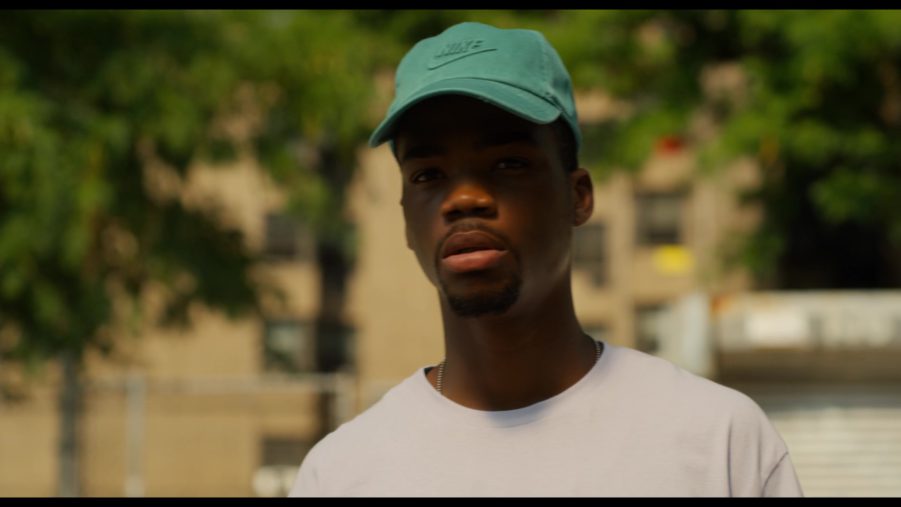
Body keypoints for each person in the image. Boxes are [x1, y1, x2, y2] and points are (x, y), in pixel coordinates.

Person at [289, 21, 803, 497]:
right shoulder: (341, 474)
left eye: (509, 163)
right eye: (428, 175)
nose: (464, 198)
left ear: (578, 197)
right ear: (406, 220)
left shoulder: (720, 442)